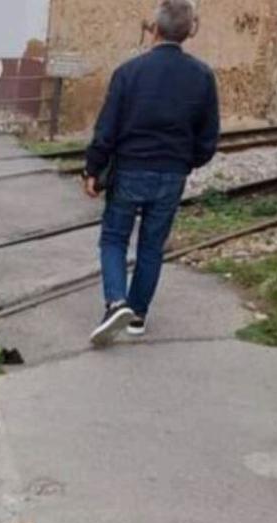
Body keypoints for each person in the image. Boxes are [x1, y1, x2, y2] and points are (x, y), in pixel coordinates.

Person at [83, 0, 219, 347]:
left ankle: (116, 302)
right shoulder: (203, 76)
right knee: (151, 246)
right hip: (171, 175)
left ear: (154, 29)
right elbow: (208, 137)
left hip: (130, 169)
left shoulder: (130, 72)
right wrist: (187, 163)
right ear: (188, 32)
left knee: (114, 238)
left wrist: (93, 168)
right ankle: (138, 316)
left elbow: (107, 129)